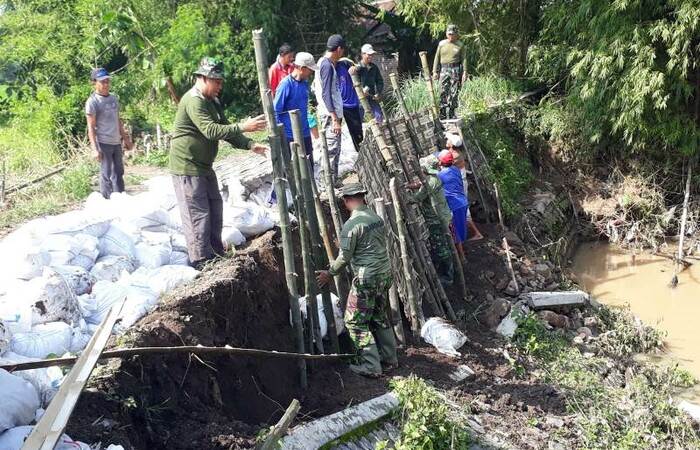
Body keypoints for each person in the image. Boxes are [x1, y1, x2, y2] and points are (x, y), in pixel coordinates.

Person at [170, 57, 268, 268]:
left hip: (204, 166)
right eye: (217, 81)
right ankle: (201, 262)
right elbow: (211, 130)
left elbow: (226, 130)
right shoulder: (194, 100)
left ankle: (215, 255)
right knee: (198, 214)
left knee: (215, 209)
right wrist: (243, 126)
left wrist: (250, 145)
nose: (220, 86)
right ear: (203, 78)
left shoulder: (211, 101)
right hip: (187, 166)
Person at [316, 183, 398, 378]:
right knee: (379, 316)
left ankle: (371, 366)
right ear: (363, 197)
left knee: (354, 322)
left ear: (346, 201)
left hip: (367, 278)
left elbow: (344, 257)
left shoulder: (351, 225)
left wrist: (329, 273)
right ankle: (390, 358)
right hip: (385, 274)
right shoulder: (375, 218)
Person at [85, 67, 133, 199]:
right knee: (107, 174)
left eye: (107, 81)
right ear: (94, 83)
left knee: (118, 172)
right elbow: (91, 127)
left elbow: (118, 120)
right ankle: (107, 201)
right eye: (102, 82)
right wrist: (94, 149)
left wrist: (126, 139)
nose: (106, 84)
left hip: (116, 142)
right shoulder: (93, 102)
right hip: (103, 142)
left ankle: (120, 198)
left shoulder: (113, 99)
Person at [408, 155, 454, 288]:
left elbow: (416, 198)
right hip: (442, 216)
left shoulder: (430, 182)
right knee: (442, 245)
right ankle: (445, 270)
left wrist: (404, 196)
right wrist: (411, 186)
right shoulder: (434, 178)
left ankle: (448, 277)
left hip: (437, 220)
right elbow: (422, 185)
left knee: (442, 248)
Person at [273, 52, 318, 168]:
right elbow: (275, 111)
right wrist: (281, 134)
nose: (311, 73)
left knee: (309, 166)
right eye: (310, 70)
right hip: (290, 136)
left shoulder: (304, 84)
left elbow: (304, 107)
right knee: (295, 169)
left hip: (305, 132)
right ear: (302, 68)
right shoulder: (285, 85)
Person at [314, 34, 346, 180]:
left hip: (331, 113)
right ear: (338, 49)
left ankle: (333, 182)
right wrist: (334, 118)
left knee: (335, 149)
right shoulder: (326, 65)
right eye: (342, 50)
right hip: (329, 115)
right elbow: (326, 93)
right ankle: (327, 185)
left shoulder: (323, 63)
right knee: (331, 150)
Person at [446, 134, 483, 241]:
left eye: (448, 140)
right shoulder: (457, 154)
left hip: (459, 186)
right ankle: (466, 232)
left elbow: (443, 163)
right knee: (462, 208)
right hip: (460, 184)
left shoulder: (454, 156)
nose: (446, 141)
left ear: (452, 144)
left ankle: (475, 233)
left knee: (463, 209)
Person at [438, 150, 468, 260]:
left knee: (454, 230)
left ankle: (462, 257)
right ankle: (462, 251)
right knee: (459, 228)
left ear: (441, 162)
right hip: (462, 202)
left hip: (455, 205)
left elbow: (428, 184)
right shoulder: (455, 169)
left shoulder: (441, 175)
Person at [432, 25, 467, 120]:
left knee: (454, 91)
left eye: (452, 34)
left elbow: (464, 59)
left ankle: (452, 112)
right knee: (442, 90)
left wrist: (465, 72)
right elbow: (436, 58)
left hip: (455, 69)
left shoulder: (460, 45)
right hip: (443, 69)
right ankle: (442, 113)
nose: (450, 36)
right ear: (446, 33)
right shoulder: (441, 44)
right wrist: (434, 71)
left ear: (456, 34)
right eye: (449, 34)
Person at [335, 57, 363, 150]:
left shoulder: (345, 63)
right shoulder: (329, 67)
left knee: (357, 130)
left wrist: (355, 68)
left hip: (351, 103)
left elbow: (360, 67)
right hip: (338, 104)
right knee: (335, 132)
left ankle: (360, 150)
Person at [358, 44, 384, 123]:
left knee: (379, 116)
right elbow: (353, 83)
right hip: (359, 99)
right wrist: (361, 91)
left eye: (372, 55)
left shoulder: (374, 67)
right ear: (363, 54)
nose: (371, 57)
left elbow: (380, 81)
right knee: (358, 120)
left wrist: (378, 92)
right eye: (369, 55)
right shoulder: (357, 68)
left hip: (371, 96)